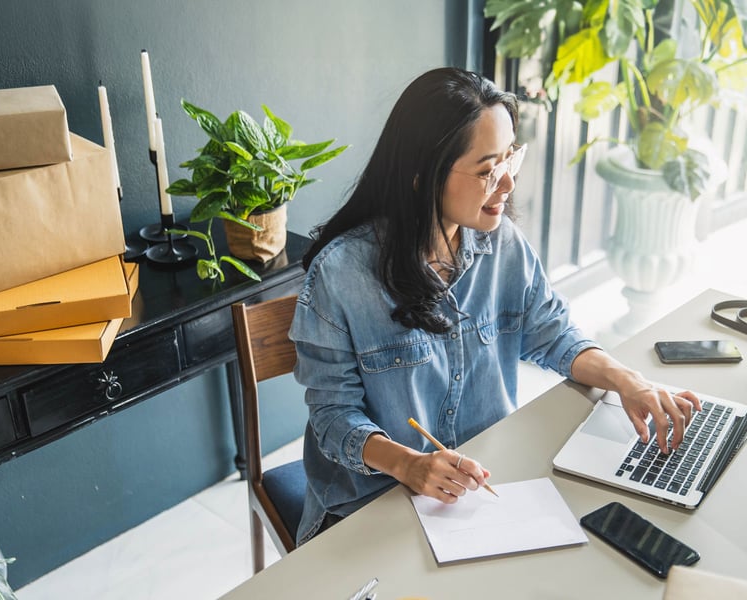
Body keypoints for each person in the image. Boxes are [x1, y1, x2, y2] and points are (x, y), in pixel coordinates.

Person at [288, 67, 699, 545]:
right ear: (422, 177)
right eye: (487, 171)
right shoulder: (341, 275)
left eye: (510, 161)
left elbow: (553, 333)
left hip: (482, 485)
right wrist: (411, 464)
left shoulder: (503, 244)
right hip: (372, 500)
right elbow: (333, 417)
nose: (506, 186)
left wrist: (629, 381)